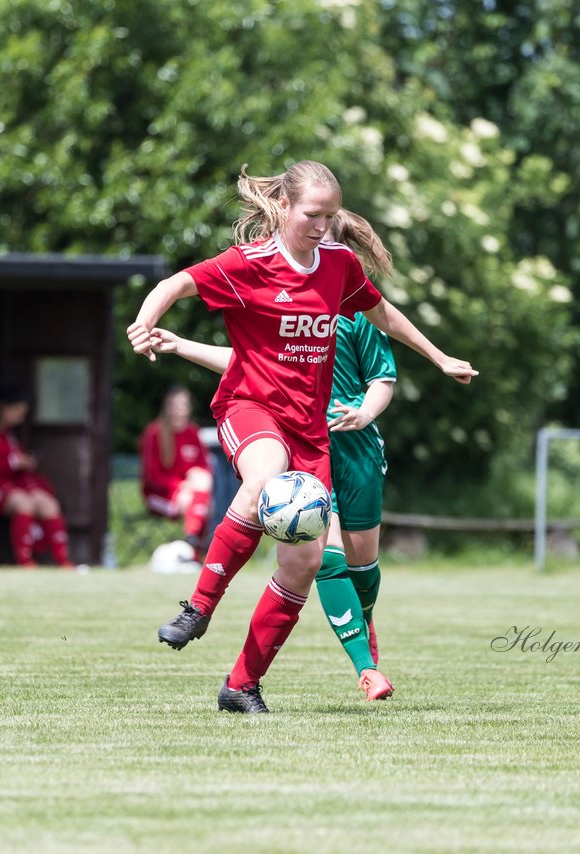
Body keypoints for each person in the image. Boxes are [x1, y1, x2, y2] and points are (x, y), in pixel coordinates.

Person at [126, 160, 477, 714]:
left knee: (306, 563)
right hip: (250, 408)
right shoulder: (250, 263)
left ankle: (241, 685)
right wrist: (145, 323)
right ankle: (198, 606)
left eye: (331, 216)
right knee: (264, 478)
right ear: (284, 207)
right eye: (313, 214)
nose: (322, 225)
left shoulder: (337, 265)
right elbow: (177, 283)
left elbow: (382, 313)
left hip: (309, 430)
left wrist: (438, 358)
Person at [150, 209, 400, 703]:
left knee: (346, 567)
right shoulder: (272, 276)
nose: (316, 238)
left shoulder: (351, 308)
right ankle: (364, 668)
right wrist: (176, 342)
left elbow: (383, 376)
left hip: (352, 452)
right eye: (313, 221)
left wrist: (369, 410)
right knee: (316, 550)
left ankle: (244, 684)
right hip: (282, 428)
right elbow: (249, 362)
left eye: (327, 229)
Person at [0, 384, 75, 568]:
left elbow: (14, 463)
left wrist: (24, 463)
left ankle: (63, 561)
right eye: (16, 411)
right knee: (23, 503)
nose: (19, 417)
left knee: (48, 503)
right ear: (3, 407)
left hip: (10, 483)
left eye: (22, 412)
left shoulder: (11, 434)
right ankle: (25, 562)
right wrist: (13, 462)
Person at [139, 386, 213, 558]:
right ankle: (193, 550)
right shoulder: (154, 433)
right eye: (175, 406)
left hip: (190, 493)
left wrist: (193, 480)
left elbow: (204, 467)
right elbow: (152, 477)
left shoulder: (193, 433)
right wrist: (179, 487)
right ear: (167, 407)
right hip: (159, 496)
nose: (179, 411)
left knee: (203, 485)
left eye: (183, 405)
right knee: (197, 501)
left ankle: (191, 542)